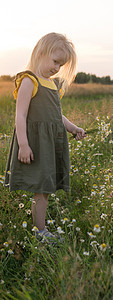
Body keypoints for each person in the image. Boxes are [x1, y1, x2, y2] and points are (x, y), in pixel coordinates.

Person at [4, 32, 86, 242]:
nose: (57, 68)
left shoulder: (52, 84)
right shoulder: (29, 80)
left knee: (46, 189)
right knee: (41, 189)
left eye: (61, 65)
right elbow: (20, 115)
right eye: (55, 61)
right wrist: (23, 144)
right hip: (36, 144)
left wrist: (73, 128)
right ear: (41, 53)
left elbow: (56, 114)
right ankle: (40, 232)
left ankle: (40, 228)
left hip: (51, 143)